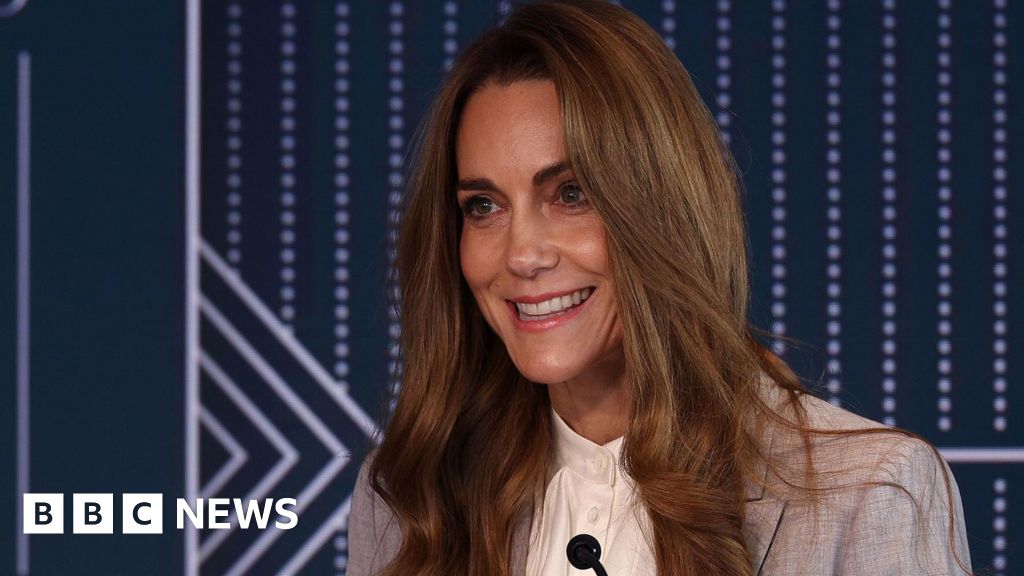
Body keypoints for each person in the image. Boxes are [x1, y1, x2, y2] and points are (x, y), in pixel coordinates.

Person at [347, 1, 972, 574]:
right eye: (483, 206)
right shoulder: (409, 495)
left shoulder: (872, 491)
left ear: (664, 207)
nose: (522, 255)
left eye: (572, 193)